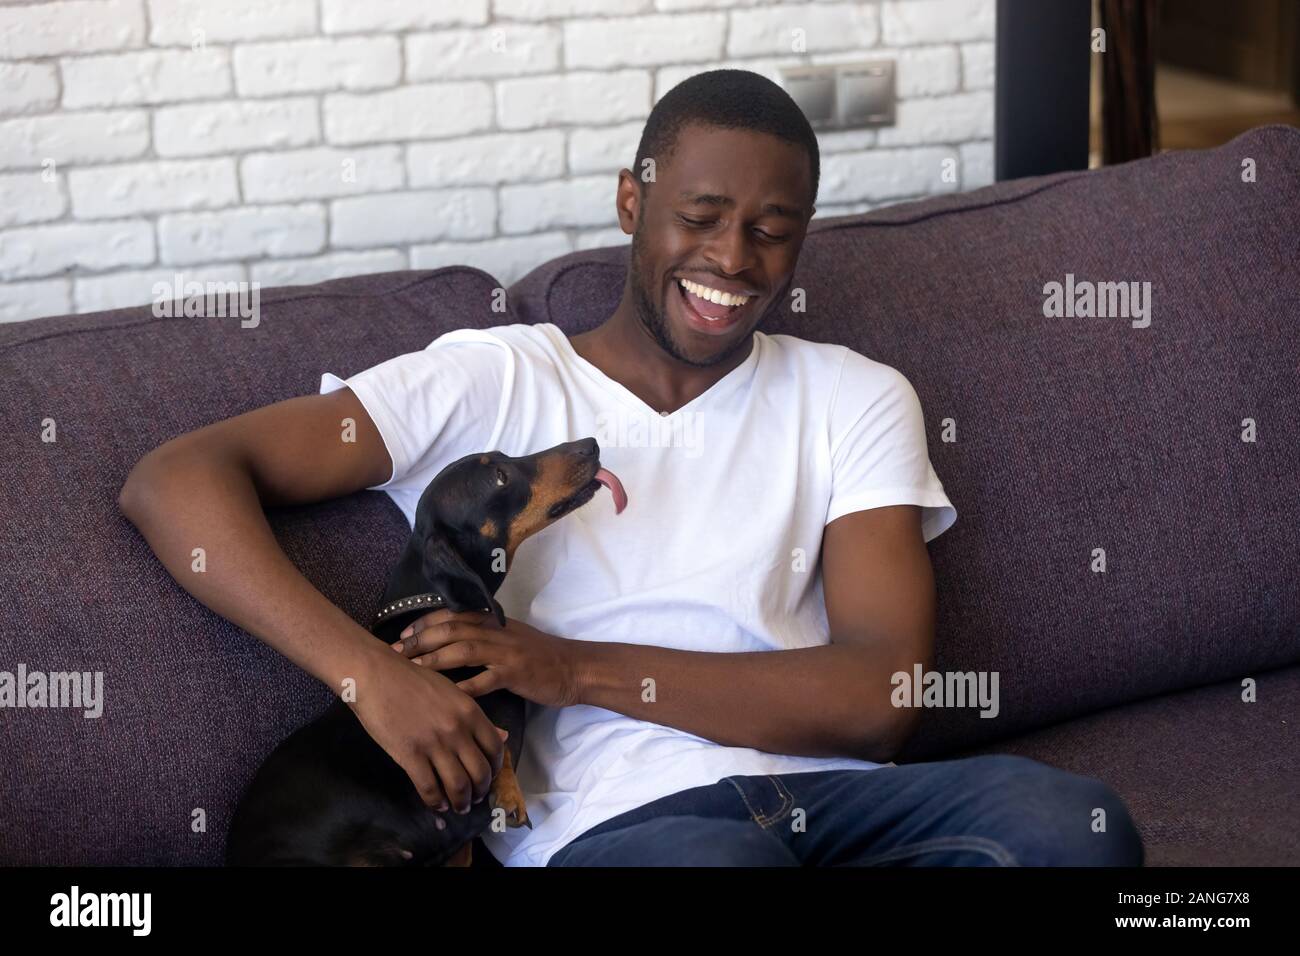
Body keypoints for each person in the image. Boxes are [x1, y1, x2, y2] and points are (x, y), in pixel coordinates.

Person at [120, 69, 1143, 867]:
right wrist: (369, 674)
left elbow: (881, 690)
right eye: (701, 216)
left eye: (772, 231)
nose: (734, 259)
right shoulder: (490, 383)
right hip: (622, 827)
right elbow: (176, 481)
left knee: (1073, 821)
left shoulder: (854, 395)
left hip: (836, 803)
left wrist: (567, 667)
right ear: (630, 202)